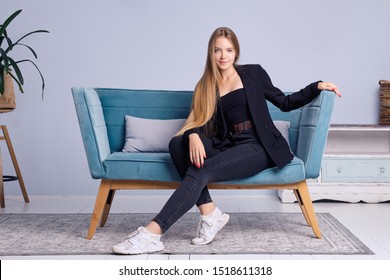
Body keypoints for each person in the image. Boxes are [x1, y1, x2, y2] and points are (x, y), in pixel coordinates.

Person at [112, 27, 341, 255]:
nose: (223, 56)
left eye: (229, 50)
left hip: (258, 146)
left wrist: (317, 86)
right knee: (176, 143)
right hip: (229, 144)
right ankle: (210, 213)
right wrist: (193, 134)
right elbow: (201, 120)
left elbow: (285, 102)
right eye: (217, 50)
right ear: (210, 53)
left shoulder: (253, 73)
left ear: (236, 52)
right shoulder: (206, 86)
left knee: (201, 172)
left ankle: (153, 233)